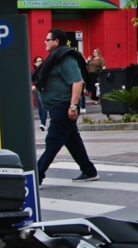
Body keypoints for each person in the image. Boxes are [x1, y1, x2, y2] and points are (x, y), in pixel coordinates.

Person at [34, 28, 98, 183]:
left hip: (63, 106)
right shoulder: (55, 58)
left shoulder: (66, 59)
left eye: (48, 39)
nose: (45, 42)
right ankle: (88, 170)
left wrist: (73, 106)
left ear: (56, 41)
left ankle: (37, 175)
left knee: (53, 141)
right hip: (58, 106)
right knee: (72, 140)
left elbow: (77, 82)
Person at [30, 55, 48, 132]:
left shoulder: (45, 71)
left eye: (41, 61)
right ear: (35, 63)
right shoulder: (33, 72)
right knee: (40, 107)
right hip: (37, 90)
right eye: (38, 61)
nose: (40, 63)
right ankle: (42, 122)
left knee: (44, 106)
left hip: (45, 90)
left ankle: (43, 123)